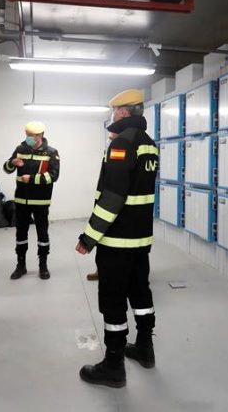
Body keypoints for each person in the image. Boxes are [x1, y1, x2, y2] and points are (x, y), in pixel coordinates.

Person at [75, 89, 159, 388]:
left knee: (112, 299)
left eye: (114, 112)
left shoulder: (121, 143)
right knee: (140, 293)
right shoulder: (149, 144)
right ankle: (145, 348)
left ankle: (113, 365)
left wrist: (89, 237)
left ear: (123, 113)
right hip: (140, 240)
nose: (112, 116)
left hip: (116, 240)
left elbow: (112, 197)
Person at [2, 121, 60, 280]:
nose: (28, 138)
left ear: (40, 135)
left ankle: (43, 266)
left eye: (32, 136)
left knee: (42, 234)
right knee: (20, 234)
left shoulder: (51, 152)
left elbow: (53, 176)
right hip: (21, 200)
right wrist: (11, 163)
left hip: (41, 202)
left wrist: (32, 179)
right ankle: (21, 266)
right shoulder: (20, 149)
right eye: (26, 135)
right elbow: (7, 169)